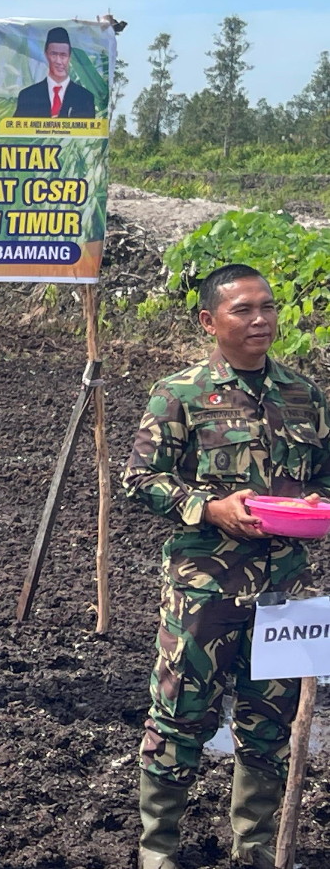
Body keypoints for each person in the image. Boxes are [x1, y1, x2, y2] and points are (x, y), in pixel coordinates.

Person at [122, 264, 330, 869]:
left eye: (268, 307)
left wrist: (314, 503)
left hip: (287, 587)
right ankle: (158, 850)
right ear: (209, 321)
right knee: (181, 715)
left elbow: (321, 479)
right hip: (204, 590)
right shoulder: (179, 393)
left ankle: (258, 849)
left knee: (272, 721)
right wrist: (207, 506)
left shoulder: (303, 393)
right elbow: (139, 480)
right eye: (244, 310)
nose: (261, 319)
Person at [13, 26, 97, 119]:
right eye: (54, 54)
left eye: (63, 55)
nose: (58, 61)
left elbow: (88, 132)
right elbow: (16, 131)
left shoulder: (84, 98)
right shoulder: (28, 96)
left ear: (69, 57)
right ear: (46, 55)